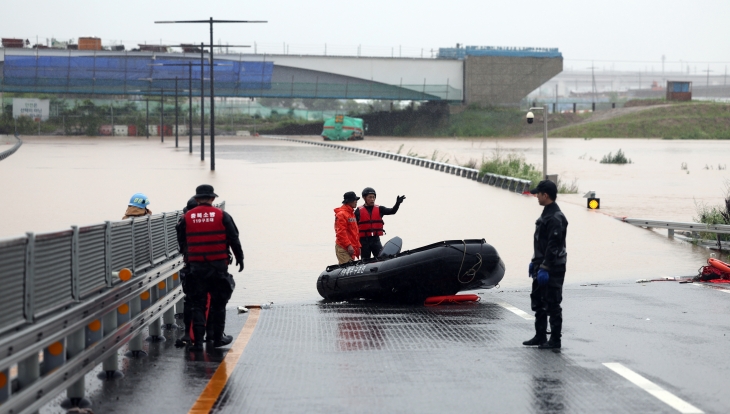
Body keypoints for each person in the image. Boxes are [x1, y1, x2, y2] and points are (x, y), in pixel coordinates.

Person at [176, 185, 244, 351]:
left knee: (198, 304)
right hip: (218, 267)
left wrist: (188, 255)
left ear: (197, 199)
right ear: (213, 199)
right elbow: (234, 238)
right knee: (218, 304)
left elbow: (181, 241)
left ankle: (198, 342)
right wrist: (240, 258)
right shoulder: (222, 215)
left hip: (196, 268)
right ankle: (218, 338)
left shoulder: (187, 217)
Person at [523, 180, 568, 350]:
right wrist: (534, 261)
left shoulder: (556, 217)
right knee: (539, 301)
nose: (536, 196)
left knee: (552, 303)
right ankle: (540, 336)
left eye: (538, 194)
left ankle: (555, 340)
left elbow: (553, 245)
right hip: (540, 265)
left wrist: (546, 267)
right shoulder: (546, 214)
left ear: (546, 195)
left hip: (552, 267)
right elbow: (541, 243)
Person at [355, 187, 405, 259]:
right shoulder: (358, 211)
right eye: (370, 197)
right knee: (365, 260)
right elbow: (352, 227)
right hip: (364, 241)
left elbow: (392, 211)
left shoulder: (380, 209)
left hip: (375, 240)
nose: (372, 199)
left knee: (381, 259)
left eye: (373, 197)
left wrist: (397, 203)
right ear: (364, 198)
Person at [334, 191, 361, 264]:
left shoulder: (351, 214)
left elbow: (355, 232)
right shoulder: (341, 214)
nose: (356, 202)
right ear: (349, 201)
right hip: (343, 247)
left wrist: (358, 246)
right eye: (355, 200)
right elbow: (341, 232)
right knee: (347, 267)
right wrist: (348, 245)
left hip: (351, 247)